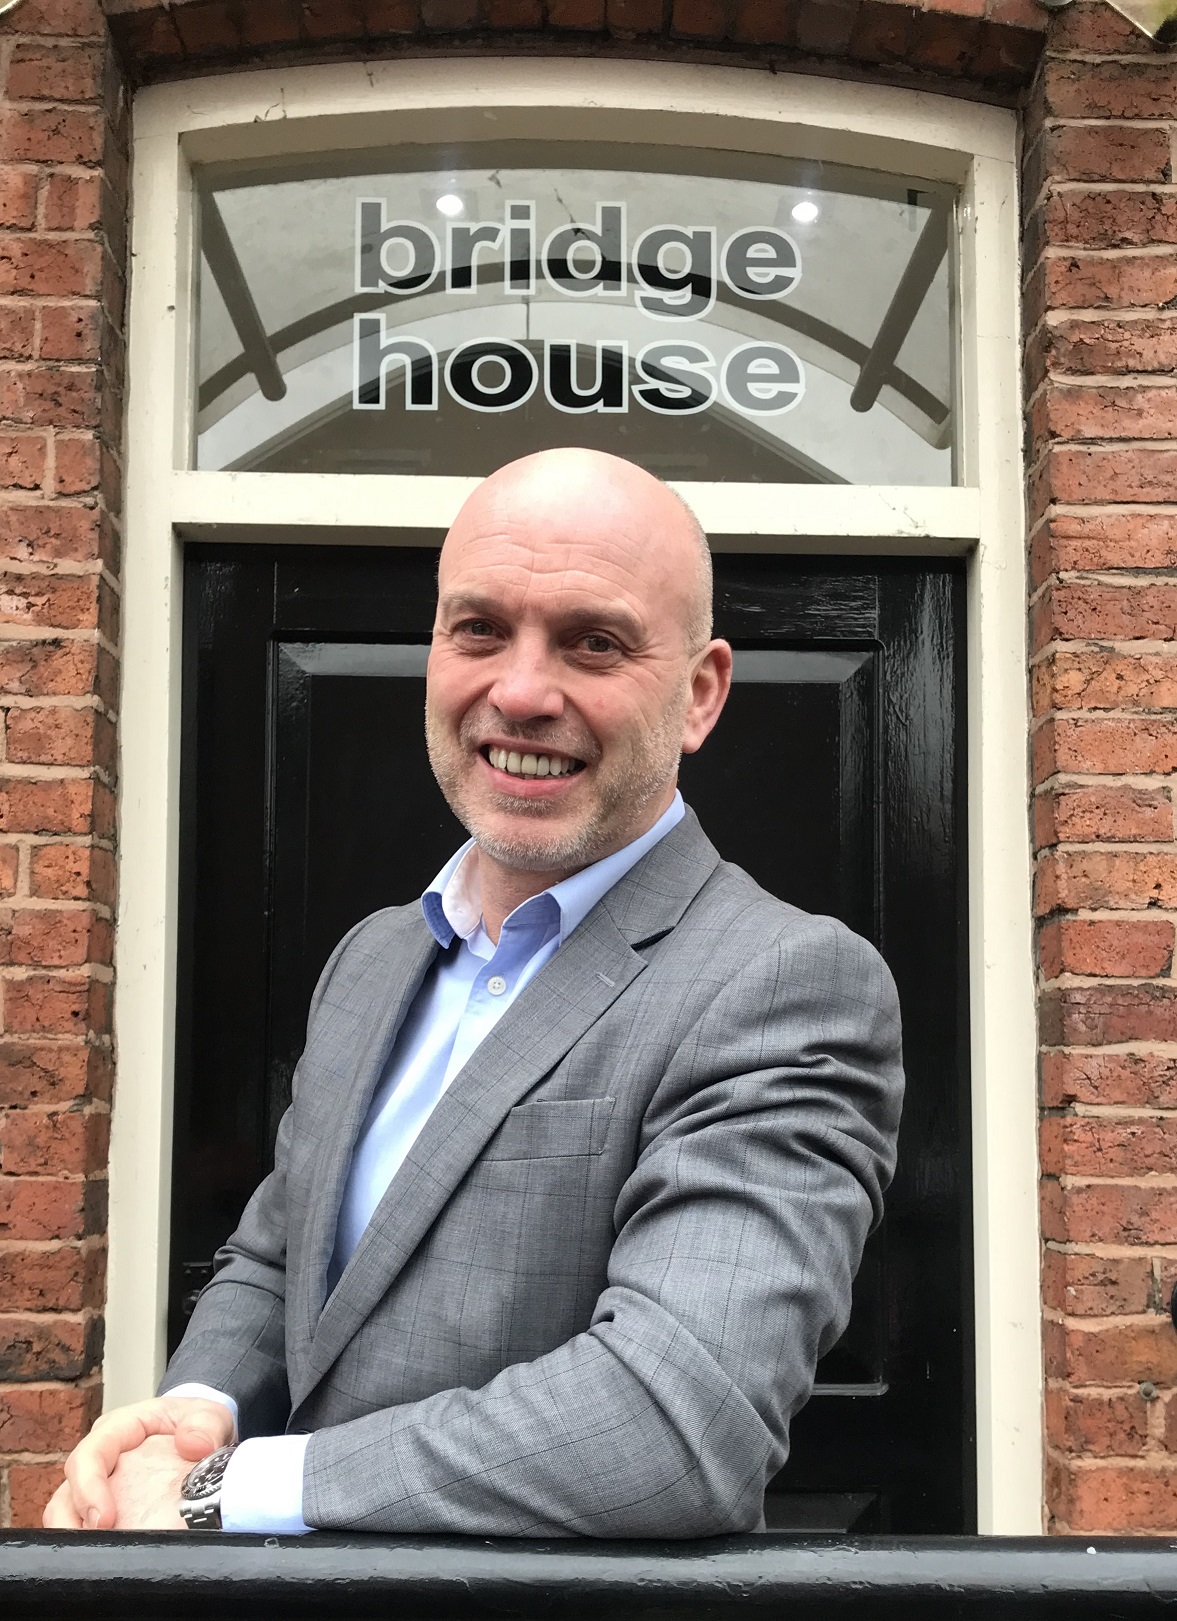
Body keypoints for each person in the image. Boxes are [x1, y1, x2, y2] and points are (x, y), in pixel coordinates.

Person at [46, 447, 903, 1537]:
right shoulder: (374, 957)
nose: (521, 691)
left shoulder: (783, 984)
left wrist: (224, 1492)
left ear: (699, 694)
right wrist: (196, 1412)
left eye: (593, 642)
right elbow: (281, 1256)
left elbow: (675, 1423)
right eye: (479, 629)